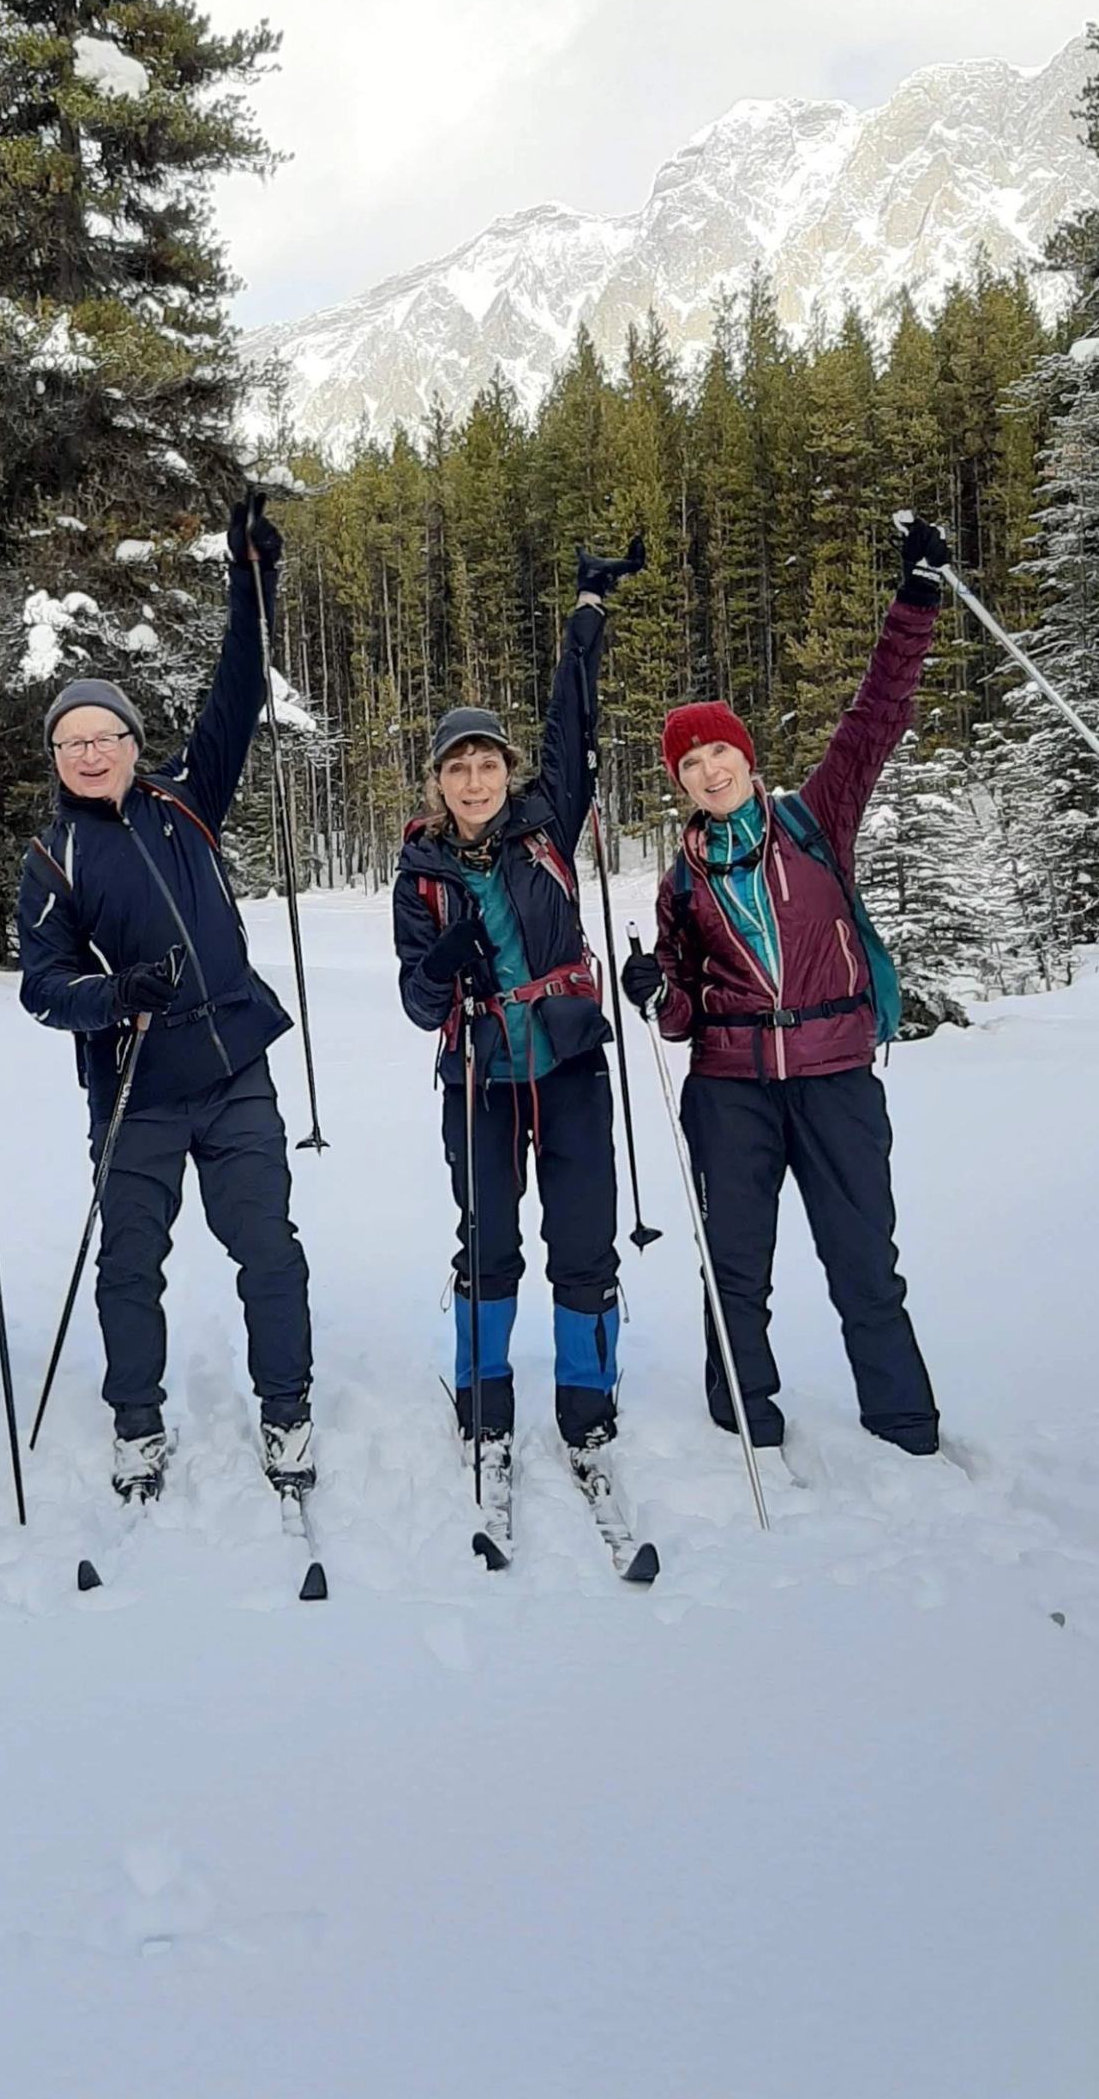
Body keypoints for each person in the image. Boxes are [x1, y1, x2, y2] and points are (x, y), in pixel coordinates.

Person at [621, 515, 950, 1459]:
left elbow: (876, 712)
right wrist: (655, 988)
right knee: (735, 1269)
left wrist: (916, 598)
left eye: (718, 750)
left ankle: (906, 1425)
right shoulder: (682, 878)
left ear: (746, 754)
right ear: (680, 782)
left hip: (837, 1076)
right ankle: (745, 1425)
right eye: (690, 762)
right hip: (730, 1090)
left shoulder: (816, 819)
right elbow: (682, 1012)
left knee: (863, 1263)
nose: (710, 768)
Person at [17, 492, 314, 1501]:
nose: (90, 752)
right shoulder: (52, 854)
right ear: (57, 760)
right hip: (134, 1088)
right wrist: (113, 996)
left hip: (232, 1066)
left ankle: (288, 1410)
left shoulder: (189, 799)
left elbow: (235, 696)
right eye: (72, 742)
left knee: (267, 1247)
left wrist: (252, 579)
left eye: (106, 736)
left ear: (136, 745)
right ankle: (136, 1423)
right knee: (130, 1264)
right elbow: (43, 989)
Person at [394, 543, 644, 1488]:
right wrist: (448, 963)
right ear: (438, 783)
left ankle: (587, 1403)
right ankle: (483, 1396)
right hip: (481, 1079)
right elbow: (420, 1003)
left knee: (583, 1237)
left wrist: (586, 611)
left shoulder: (547, 825)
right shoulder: (419, 874)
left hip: (571, 1056)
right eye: (456, 767)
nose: (473, 780)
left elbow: (571, 721)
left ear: (506, 769)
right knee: (489, 1241)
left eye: (486, 762)